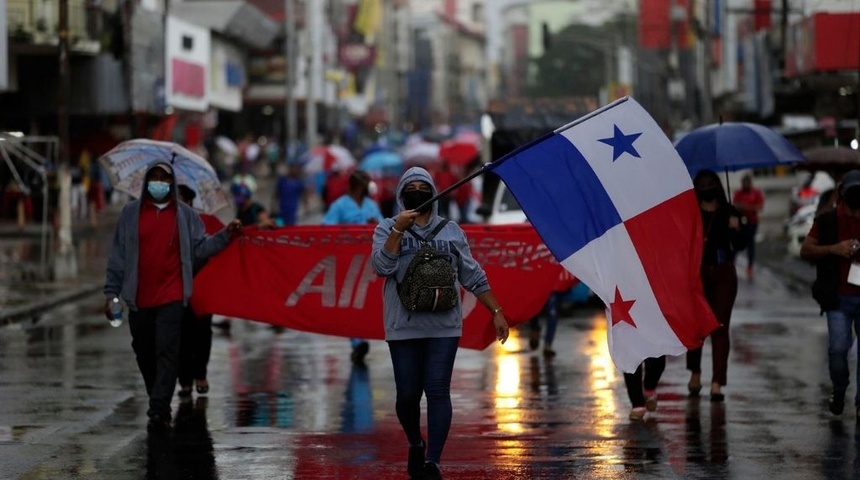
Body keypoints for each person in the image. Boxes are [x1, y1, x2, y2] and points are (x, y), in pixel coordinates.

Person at [370, 166, 509, 480]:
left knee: (437, 390)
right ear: (402, 194)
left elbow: (472, 274)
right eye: (412, 186)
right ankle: (415, 442)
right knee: (407, 394)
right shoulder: (387, 227)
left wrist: (496, 311)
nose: (418, 190)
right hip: (402, 325)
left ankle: (433, 462)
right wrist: (397, 231)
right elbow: (381, 266)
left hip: (444, 325)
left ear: (434, 193)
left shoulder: (451, 230)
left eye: (424, 186)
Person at [103, 162, 242, 432]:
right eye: (153, 177)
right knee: (144, 351)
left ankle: (159, 409)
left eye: (163, 178)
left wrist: (226, 235)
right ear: (145, 182)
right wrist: (111, 293)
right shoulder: (130, 213)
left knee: (167, 350)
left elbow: (201, 247)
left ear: (171, 182)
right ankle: (158, 393)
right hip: (139, 299)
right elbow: (118, 256)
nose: (158, 182)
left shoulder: (187, 216)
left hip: (172, 297)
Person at [800, 169, 860, 417]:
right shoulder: (827, 221)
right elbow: (806, 250)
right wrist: (835, 249)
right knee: (837, 349)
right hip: (838, 296)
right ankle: (839, 388)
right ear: (841, 194)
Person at [687, 169, 745, 402]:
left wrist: (736, 227)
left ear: (718, 186)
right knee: (697, 327)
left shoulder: (729, 211)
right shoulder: (691, 213)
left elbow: (740, 244)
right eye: (702, 184)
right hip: (698, 273)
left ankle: (717, 382)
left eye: (711, 184)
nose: (707, 188)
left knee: (720, 327)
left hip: (724, 274)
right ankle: (695, 372)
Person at [323, 170, 383, 364]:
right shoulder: (339, 206)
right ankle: (357, 342)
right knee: (351, 301)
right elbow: (326, 227)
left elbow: (386, 227)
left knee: (364, 300)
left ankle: (362, 336)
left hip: (368, 263)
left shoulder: (371, 205)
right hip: (348, 262)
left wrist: (376, 224)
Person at [176, 185, 225, 399]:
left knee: (202, 333)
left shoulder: (205, 222)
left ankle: (200, 375)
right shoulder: (164, 223)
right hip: (176, 290)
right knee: (180, 336)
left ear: (188, 200)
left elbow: (220, 243)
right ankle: (184, 380)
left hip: (203, 288)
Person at [732, 174, 764, 280]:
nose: (746, 184)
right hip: (741, 221)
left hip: (752, 222)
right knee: (736, 243)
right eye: (744, 183)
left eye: (747, 182)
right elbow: (735, 204)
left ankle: (750, 266)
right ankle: (732, 264)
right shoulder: (738, 193)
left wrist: (748, 207)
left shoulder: (756, 193)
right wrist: (739, 207)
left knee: (750, 243)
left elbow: (760, 206)